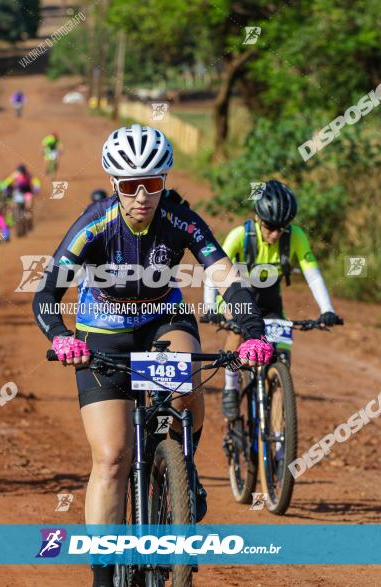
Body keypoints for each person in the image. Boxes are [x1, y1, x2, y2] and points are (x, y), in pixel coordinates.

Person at [31, 124, 273, 587]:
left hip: (163, 318)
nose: (142, 196)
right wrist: (61, 337)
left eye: (153, 184)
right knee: (112, 458)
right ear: (115, 186)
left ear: (165, 181)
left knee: (185, 381)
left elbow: (226, 277)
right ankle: (104, 577)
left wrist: (252, 332)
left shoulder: (181, 220)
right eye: (129, 186)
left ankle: (182, 468)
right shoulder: (93, 223)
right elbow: (46, 293)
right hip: (103, 331)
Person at [202, 179, 344, 421]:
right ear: (258, 218)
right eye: (270, 226)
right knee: (237, 328)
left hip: (270, 303)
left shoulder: (295, 238)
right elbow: (213, 272)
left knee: (282, 359)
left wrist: (327, 309)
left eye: (282, 227)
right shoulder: (240, 235)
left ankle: (279, 437)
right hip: (238, 298)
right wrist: (209, 307)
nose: (275, 234)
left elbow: (313, 275)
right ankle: (230, 386)